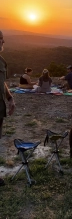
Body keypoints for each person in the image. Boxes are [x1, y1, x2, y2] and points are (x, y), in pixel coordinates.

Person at [0, 30, 15, 186]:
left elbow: (2, 83)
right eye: (0, 39)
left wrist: (10, 98)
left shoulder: (1, 62)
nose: (3, 42)